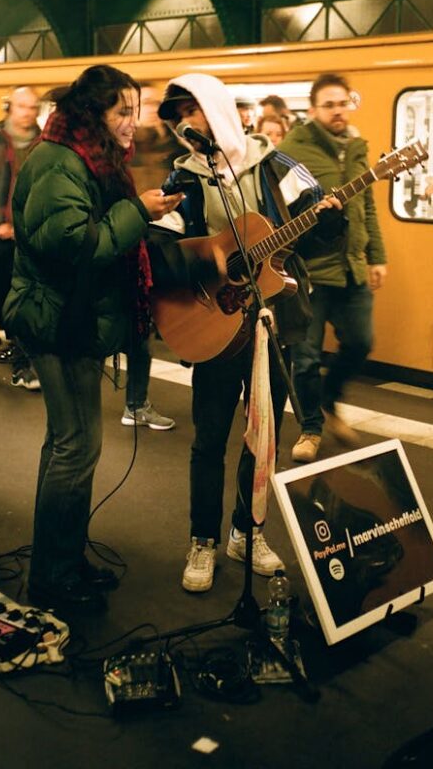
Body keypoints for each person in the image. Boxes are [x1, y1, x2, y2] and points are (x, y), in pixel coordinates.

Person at [3, 64, 201, 611]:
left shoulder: (83, 157)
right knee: (75, 448)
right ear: (94, 114)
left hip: (73, 317)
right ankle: (52, 577)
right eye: (122, 112)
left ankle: (64, 558)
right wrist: (139, 210)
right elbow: (77, 243)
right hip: (58, 320)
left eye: (134, 111)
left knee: (71, 446)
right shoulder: (58, 162)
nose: (131, 124)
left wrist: (139, 212)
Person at [155, 73, 342, 593]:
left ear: (215, 111)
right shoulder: (184, 180)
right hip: (216, 323)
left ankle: (247, 530)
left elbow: (321, 228)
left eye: (191, 109)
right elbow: (162, 253)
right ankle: (202, 540)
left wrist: (330, 220)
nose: (184, 123)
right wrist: (211, 259)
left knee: (264, 438)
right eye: (178, 115)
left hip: (276, 320)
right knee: (210, 438)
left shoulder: (275, 165)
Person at [278, 72, 387, 463]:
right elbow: (277, 205)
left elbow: (367, 206)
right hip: (309, 271)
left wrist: (376, 256)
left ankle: (330, 399)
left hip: (351, 268)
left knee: (360, 342)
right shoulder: (293, 148)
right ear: (312, 110)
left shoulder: (357, 147)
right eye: (329, 104)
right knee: (305, 357)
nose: (338, 111)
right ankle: (311, 428)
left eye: (343, 103)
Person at [122, 84, 186, 431]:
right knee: (138, 327)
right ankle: (135, 403)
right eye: (140, 104)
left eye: (151, 103)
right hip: (133, 245)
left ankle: (136, 401)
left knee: (146, 325)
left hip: (165, 244)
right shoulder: (123, 150)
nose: (146, 110)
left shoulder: (175, 147)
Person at [0, 86, 41, 386]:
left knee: (23, 302)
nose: (28, 112)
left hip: (26, 237)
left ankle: (26, 364)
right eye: (23, 106)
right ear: (10, 108)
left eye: (33, 107)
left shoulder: (43, 144)